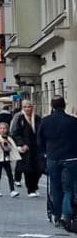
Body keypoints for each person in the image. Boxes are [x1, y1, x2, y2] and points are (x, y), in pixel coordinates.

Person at [37, 96, 77, 227]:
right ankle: (67, 214)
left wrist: (46, 152)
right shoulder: (73, 121)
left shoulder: (45, 121)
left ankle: (58, 217)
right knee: (68, 189)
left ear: (52, 106)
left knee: (55, 188)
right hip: (71, 158)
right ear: (64, 105)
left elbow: (40, 141)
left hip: (53, 158)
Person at [9, 100, 43, 197]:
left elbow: (42, 131)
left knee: (39, 169)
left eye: (29, 106)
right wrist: (21, 144)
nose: (28, 109)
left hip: (37, 147)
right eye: (25, 107)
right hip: (26, 148)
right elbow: (16, 133)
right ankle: (30, 189)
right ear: (22, 108)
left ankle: (35, 185)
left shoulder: (37, 118)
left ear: (32, 107)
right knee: (28, 169)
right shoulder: (20, 119)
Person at [0, 121, 22, 197]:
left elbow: (12, 148)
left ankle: (12, 190)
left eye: (4, 128)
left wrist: (6, 144)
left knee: (10, 175)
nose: (3, 130)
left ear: (7, 129)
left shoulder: (9, 138)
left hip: (6, 158)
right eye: (1, 128)